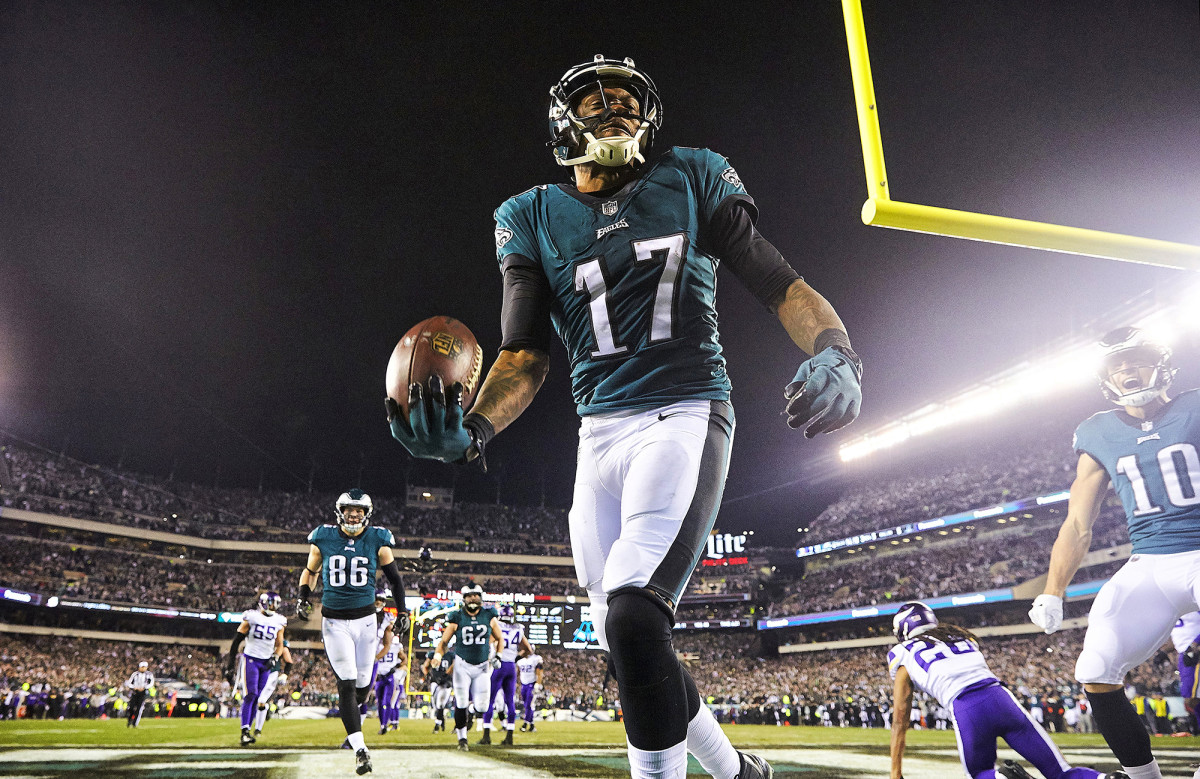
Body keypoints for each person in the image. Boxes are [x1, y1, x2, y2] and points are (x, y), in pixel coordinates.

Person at [387, 53, 862, 779]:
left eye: (627, 98)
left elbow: (780, 283)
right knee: (630, 640)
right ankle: (738, 772)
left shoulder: (693, 174)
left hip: (685, 412)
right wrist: (473, 429)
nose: (616, 108)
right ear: (560, 123)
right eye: (595, 98)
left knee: (638, 614)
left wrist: (839, 350)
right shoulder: (530, 215)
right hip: (598, 433)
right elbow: (522, 355)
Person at [1029, 327, 1199, 779]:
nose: (1126, 370)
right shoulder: (1097, 431)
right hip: (1150, 562)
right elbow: (1078, 523)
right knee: (1096, 668)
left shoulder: (1195, 404)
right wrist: (1052, 591)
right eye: (1115, 365)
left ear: (1161, 362)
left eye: (1136, 359)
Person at [888, 602, 1120, 779]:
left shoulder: (902, 654)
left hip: (966, 706)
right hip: (1001, 699)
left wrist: (895, 772)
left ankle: (1005, 777)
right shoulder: (963, 638)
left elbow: (900, 720)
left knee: (980, 774)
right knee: (1061, 772)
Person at [296, 489, 410, 776]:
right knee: (345, 683)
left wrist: (403, 611)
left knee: (361, 686)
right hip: (334, 621)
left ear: (366, 513)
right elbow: (310, 571)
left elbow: (395, 580)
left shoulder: (378, 539)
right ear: (340, 511)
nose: (354, 514)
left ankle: (353, 724)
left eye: (359, 510)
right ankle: (360, 749)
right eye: (349, 509)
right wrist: (302, 597)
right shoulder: (322, 536)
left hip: (366, 621)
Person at [431, 584, 501, 751]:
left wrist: (498, 655)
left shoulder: (489, 615)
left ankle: (471, 710)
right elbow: (444, 642)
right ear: (464, 599)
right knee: (460, 702)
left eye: (475, 595)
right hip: (462, 665)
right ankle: (462, 739)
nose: (473, 598)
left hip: (483, 665)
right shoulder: (457, 617)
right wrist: (438, 655)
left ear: (480, 597)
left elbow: (499, 638)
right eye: (469, 596)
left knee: (482, 707)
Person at [226, 591, 286, 746]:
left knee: (258, 696)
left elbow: (280, 645)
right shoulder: (252, 617)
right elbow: (236, 642)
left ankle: (248, 730)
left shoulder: (279, 621)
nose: (273, 606)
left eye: (275, 603)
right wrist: (230, 666)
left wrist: (275, 658)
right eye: (270, 603)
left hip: (265, 662)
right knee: (250, 694)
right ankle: (244, 731)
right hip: (251, 659)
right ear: (263, 603)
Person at [481, 603, 533, 745]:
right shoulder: (518, 628)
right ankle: (509, 736)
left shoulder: (497, 626)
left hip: (499, 664)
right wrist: (516, 658)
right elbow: (528, 650)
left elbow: (488, 642)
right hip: (511, 666)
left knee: (489, 701)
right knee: (509, 701)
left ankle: (486, 736)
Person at [372, 589, 407, 735]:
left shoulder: (393, 643)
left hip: (389, 675)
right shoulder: (373, 621)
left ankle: (385, 725)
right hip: (378, 674)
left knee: (387, 701)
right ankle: (382, 724)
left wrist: (398, 668)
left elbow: (404, 659)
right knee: (380, 702)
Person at [252, 639, 293, 739]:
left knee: (261, 700)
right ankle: (265, 710)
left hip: (271, 674)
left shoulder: (281, 643)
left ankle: (257, 729)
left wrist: (285, 674)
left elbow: (289, 660)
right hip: (258, 672)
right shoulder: (262, 639)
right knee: (255, 699)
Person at [1172, 610, 1200, 733]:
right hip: (1183, 655)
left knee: (1192, 697)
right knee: (1189, 697)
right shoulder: (1172, 608)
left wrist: (1195, 644)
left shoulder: (1195, 602)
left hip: (1195, 654)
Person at [423, 648, 455, 735]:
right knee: (435, 705)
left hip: (446, 682)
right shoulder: (433, 654)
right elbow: (425, 666)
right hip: (435, 682)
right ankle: (442, 720)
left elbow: (454, 665)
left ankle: (437, 725)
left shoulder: (451, 655)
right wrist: (428, 675)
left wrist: (447, 674)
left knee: (440, 704)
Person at [516, 650, 543, 732]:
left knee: (529, 705)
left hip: (532, 684)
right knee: (527, 705)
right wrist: (516, 682)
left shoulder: (536, 659)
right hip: (523, 685)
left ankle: (525, 724)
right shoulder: (520, 660)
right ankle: (532, 725)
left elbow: (540, 672)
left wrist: (538, 684)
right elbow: (518, 672)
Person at [125, 660, 153, 728]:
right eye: (142, 667)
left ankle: (135, 723)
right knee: (131, 707)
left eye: (144, 667)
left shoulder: (149, 675)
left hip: (143, 693)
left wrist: (144, 687)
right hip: (135, 692)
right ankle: (129, 720)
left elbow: (151, 683)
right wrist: (134, 687)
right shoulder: (135, 674)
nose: (143, 668)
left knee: (139, 708)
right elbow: (129, 683)